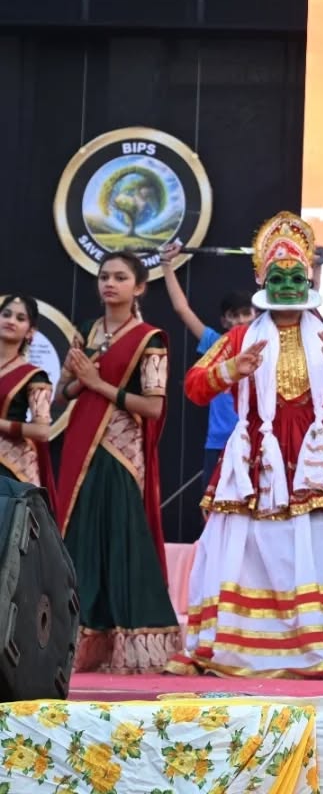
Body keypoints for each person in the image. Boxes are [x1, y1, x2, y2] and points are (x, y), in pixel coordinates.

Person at [168, 213, 323, 679]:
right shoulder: (240, 338)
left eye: (296, 278)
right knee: (254, 550)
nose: (287, 286)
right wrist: (232, 370)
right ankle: (253, 650)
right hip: (258, 464)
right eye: (278, 278)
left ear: (309, 281)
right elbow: (194, 386)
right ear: (262, 281)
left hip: (321, 464)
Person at [53, 252, 180, 673]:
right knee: (81, 538)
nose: (110, 283)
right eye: (104, 276)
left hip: (120, 453)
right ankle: (80, 641)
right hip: (81, 446)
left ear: (139, 287)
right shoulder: (88, 331)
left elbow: (154, 407)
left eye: (121, 277)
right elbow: (63, 396)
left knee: (121, 540)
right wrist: (76, 382)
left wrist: (96, 383)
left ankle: (132, 641)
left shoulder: (150, 339)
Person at [158, 242, 255, 489]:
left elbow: (304, 312)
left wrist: (315, 269)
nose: (240, 320)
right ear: (224, 321)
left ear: (256, 315)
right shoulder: (214, 342)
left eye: (246, 313)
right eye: (234, 315)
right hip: (219, 442)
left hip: (257, 439)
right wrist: (166, 264)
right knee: (213, 508)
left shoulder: (267, 343)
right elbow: (182, 309)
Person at [0, 295, 54, 497]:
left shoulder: (33, 376)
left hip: (9, 468)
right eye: (6, 314)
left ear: (30, 331)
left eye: (20, 318)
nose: (11, 321)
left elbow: (42, 431)